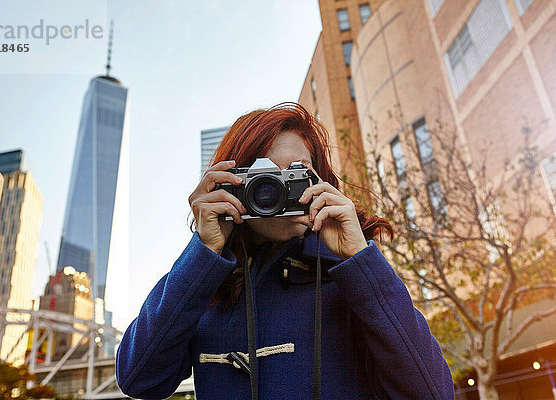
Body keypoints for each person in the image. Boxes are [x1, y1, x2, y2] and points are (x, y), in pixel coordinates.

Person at [116, 102, 455, 399]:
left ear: (319, 182)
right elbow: (138, 379)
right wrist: (203, 254)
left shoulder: (350, 277)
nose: (278, 188)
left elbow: (434, 393)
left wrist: (359, 261)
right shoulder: (207, 282)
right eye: (263, 176)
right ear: (230, 185)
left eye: (296, 173)